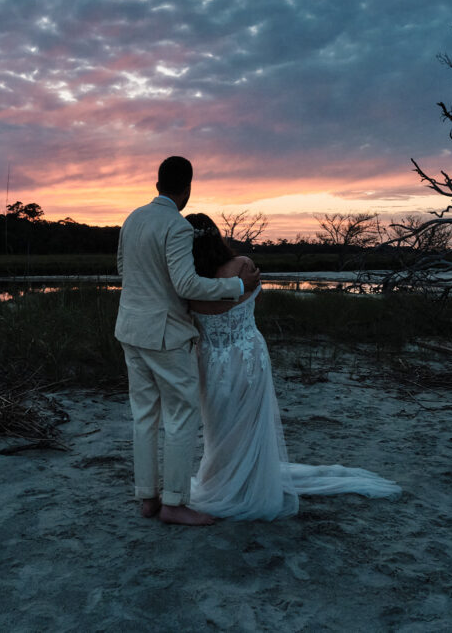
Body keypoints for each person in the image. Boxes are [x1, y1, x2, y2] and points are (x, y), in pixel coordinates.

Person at [184, 213, 402, 521]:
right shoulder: (242, 266)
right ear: (217, 237)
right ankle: (246, 483)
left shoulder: (186, 281)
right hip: (247, 356)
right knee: (248, 424)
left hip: (209, 359)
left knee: (219, 425)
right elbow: (252, 303)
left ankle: (222, 479)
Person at [115, 157, 261, 526]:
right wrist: (236, 287)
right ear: (187, 187)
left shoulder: (133, 219)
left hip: (130, 330)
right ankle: (175, 503)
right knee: (181, 415)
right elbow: (186, 285)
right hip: (165, 335)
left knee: (144, 415)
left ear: (157, 182)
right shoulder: (177, 227)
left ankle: (148, 498)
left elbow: (122, 269)